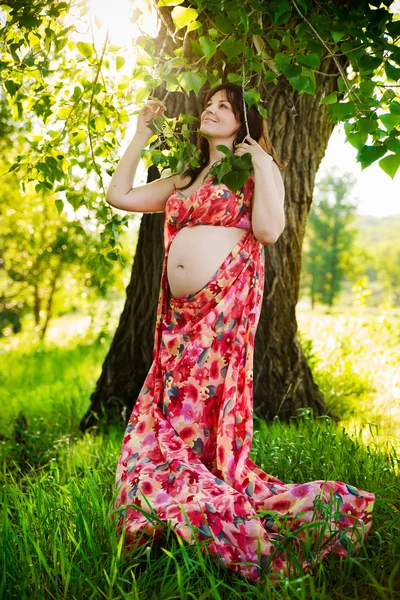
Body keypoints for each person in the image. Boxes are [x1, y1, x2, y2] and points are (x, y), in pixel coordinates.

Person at [106, 83, 375, 582]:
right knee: (169, 410)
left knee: (197, 415)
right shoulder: (186, 178)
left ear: (243, 120)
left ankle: (186, 508)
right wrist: (140, 134)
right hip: (178, 323)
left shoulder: (251, 173)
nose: (211, 109)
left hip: (220, 319)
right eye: (208, 103)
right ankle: (169, 506)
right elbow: (118, 195)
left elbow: (269, 232)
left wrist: (265, 164)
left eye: (224, 105)